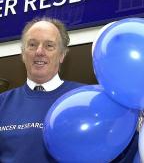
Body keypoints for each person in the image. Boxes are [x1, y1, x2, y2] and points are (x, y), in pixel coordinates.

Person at [0, 17, 84, 163]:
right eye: (32, 45)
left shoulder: (85, 98)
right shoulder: (2, 103)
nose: (39, 51)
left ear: (62, 55)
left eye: (49, 45)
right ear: (23, 53)